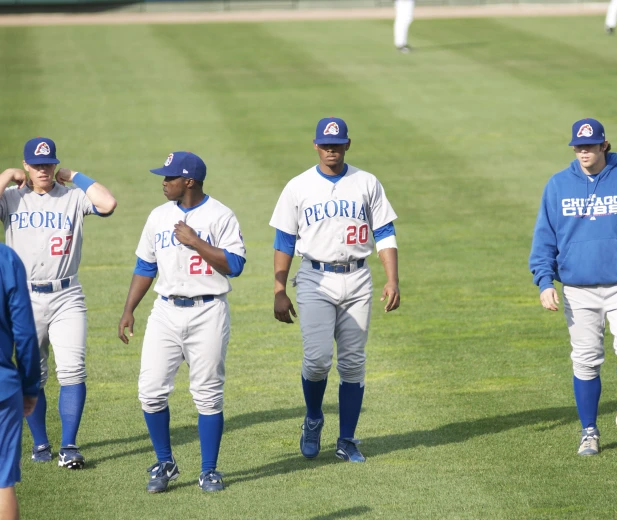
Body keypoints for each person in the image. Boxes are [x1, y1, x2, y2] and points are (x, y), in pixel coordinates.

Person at [529, 118, 617, 456]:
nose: (583, 151)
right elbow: (544, 238)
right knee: (586, 360)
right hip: (577, 288)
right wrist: (544, 281)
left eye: (590, 146)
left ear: (604, 145)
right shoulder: (558, 185)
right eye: (578, 146)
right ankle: (589, 431)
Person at [270, 117, 400, 463]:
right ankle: (313, 417)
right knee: (316, 361)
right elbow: (283, 240)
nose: (332, 149)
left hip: (358, 277)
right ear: (315, 145)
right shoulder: (298, 187)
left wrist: (393, 279)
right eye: (326, 144)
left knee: (354, 363)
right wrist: (279, 288)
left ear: (347, 144)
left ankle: (347, 440)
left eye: (338, 144)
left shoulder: (367, 182)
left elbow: (385, 232)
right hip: (315, 277)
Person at [118, 151, 246, 493]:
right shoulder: (158, 216)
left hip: (209, 311)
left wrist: (196, 242)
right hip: (165, 311)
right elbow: (146, 266)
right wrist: (129, 309)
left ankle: (209, 471)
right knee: (150, 391)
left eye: (169, 177)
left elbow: (235, 264)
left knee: (207, 394)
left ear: (189, 181)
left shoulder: (221, 215)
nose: (163, 182)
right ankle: (165, 463)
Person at [0, 137, 117, 469]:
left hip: (67, 295)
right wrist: (7, 174)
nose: (43, 170)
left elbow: (108, 204)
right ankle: (40, 444)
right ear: (26, 166)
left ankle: (69, 445)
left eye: (48, 163)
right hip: (23, 297)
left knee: (72, 369)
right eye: (36, 165)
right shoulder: (11, 199)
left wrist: (74, 174)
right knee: (31, 374)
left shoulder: (72, 197)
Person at [0, 245, 41, 520]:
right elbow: (25, 333)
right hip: (2, 389)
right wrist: (30, 387)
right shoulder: (6, 259)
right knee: (3, 484)